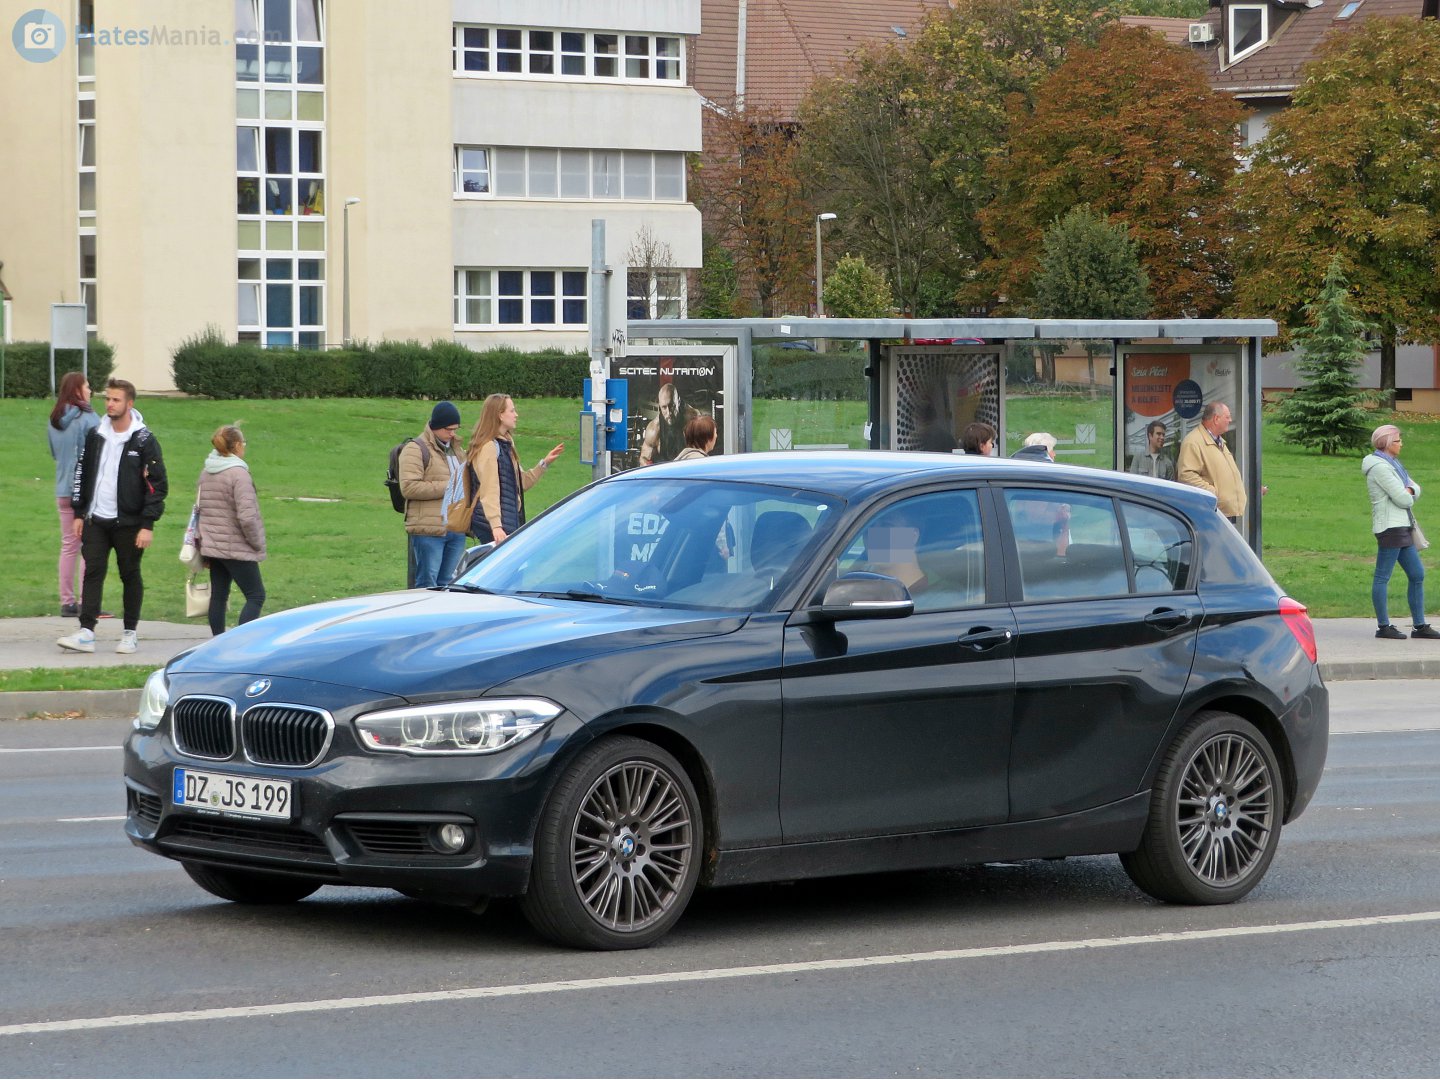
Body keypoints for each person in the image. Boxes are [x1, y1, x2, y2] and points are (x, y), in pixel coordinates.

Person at [57, 378, 167, 655]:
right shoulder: (96, 434)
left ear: (129, 404)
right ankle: (86, 632)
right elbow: (83, 473)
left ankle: (130, 633)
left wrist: (147, 524)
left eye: (115, 400)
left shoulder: (144, 440)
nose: (109, 404)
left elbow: (157, 485)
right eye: (107, 399)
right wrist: (80, 512)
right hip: (96, 519)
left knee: (130, 574)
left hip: (129, 523)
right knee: (93, 572)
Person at [1363, 424, 1439, 640]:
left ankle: (1419, 626)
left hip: (1403, 526)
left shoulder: (1394, 464)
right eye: (1398, 440)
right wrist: (1409, 491)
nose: (1401, 444)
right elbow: (1404, 498)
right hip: (1390, 528)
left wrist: (1410, 490)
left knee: (1417, 574)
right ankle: (1383, 626)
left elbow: (1414, 488)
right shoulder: (1380, 467)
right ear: (1387, 443)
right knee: (1382, 576)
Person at [462, 393, 564, 546]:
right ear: (500, 415)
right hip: (492, 525)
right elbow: (489, 489)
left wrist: (544, 464)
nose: (516, 415)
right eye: (512, 411)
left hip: (508, 521)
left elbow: (520, 483)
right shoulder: (489, 447)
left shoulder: (507, 443)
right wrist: (496, 526)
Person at [195, 425, 267, 635]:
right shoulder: (239, 474)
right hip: (236, 546)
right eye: (243, 443)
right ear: (236, 446)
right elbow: (247, 517)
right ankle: (240, 642)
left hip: (213, 545)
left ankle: (218, 641)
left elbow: (200, 509)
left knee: (219, 595)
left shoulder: (206, 471)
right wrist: (256, 543)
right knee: (256, 596)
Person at [47, 371, 100, 617]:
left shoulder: (55, 418)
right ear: (78, 389)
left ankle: (67, 601)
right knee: (89, 546)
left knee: (69, 545)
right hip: (86, 490)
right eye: (87, 386)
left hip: (63, 487)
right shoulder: (89, 417)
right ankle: (86, 600)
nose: (90, 391)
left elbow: (55, 453)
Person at [400, 401, 468, 588]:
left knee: (450, 583)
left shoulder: (457, 450)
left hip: (456, 527)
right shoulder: (414, 449)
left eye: (455, 429)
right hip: (428, 530)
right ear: (436, 426)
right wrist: (449, 487)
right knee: (427, 582)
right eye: (448, 429)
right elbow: (409, 488)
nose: (453, 433)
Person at [1177, 402, 1247, 522]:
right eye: (1227, 417)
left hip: (1223, 513)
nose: (1230, 420)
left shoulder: (1219, 442)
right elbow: (1186, 476)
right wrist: (1214, 494)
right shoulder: (1193, 442)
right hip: (1211, 514)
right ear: (1216, 419)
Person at [639, 383, 699, 465]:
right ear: (659, 406)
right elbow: (644, 458)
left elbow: (703, 451)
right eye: (664, 407)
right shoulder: (654, 429)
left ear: (678, 401)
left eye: (672, 406)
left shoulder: (692, 419)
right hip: (665, 470)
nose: (669, 412)